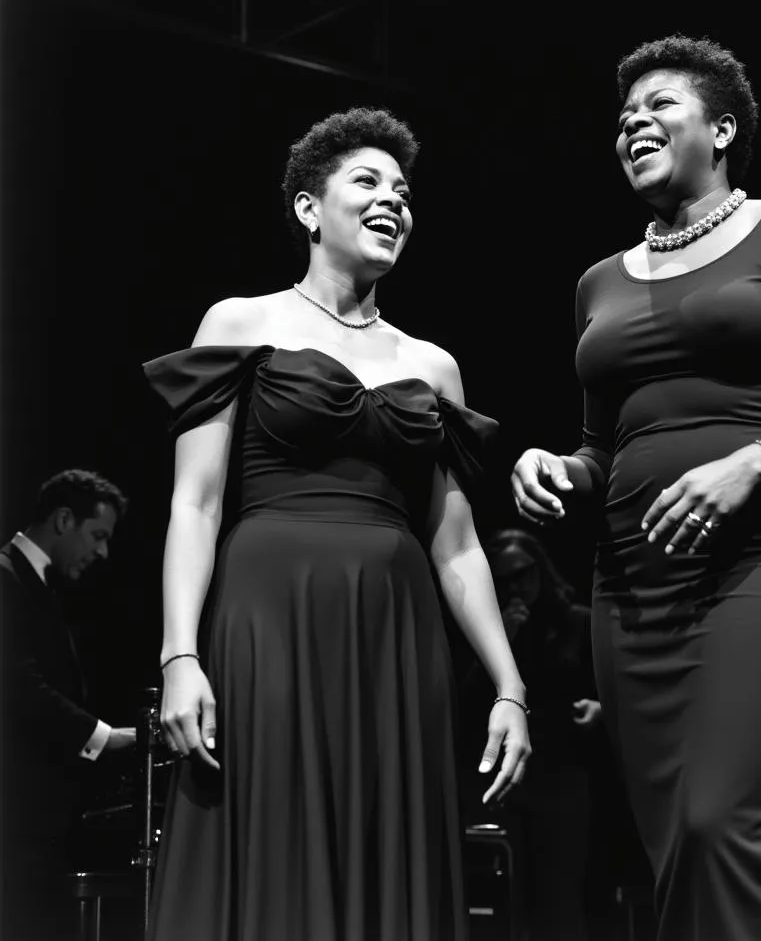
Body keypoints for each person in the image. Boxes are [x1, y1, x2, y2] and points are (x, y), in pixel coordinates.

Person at [511, 34, 761, 941]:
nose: (633, 123)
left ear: (723, 127)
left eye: (659, 105)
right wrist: (557, 471)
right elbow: (600, 448)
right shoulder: (597, 283)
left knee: (718, 825)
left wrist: (756, 459)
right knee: (676, 851)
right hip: (634, 588)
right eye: (623, 116)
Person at [142, 107, 530, 941]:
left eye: (405, 192)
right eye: (368, 182)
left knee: (388, 842)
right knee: (274, 830)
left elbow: (456, 543)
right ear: (308, 209)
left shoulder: (434, 365)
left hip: (395, 631)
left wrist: (509, 684)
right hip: (268, 615)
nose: (393, 200)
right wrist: (180, 653)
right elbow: (195, 504)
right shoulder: (242, 323)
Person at [0, 468, 134, 941]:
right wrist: (106, 737)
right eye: (97, 535)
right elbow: (15, 685)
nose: (102, 551)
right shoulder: (5, 577)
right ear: (63, 520)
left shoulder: (33, 583)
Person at [460, 528, 600, 941]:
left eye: (523, 573)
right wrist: (506, 635)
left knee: (559, 895)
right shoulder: (490, 632)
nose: (516, 586)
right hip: (505, 776)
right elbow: (465, 702)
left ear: (541, 569)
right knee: (507, 892)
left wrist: (599, 711)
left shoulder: (577, 622)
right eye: (503, 580)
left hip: (562, 770)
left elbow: (609, 689)